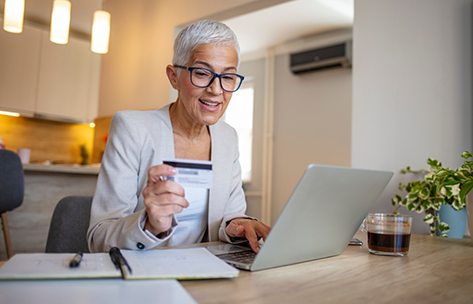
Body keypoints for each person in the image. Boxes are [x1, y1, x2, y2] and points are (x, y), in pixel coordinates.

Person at [87, 20, 271, 254]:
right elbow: (98, 236)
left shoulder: (227, 138)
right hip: (144, 274)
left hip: (206, 271)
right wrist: (149, 225)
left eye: (228, 77)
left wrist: (237, 225)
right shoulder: (133, 129)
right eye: (202, 73)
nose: (216, 90)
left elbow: (228, 217)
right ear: (173, 77)